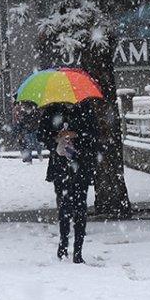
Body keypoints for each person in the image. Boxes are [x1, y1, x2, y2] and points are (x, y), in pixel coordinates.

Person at [43, 105, 98, 263]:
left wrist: (76, 134)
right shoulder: (52, 111)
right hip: (60, 167)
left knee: (80, 207)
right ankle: (63, 245)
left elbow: (93, 135)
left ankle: (78, 251)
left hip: (81, 166)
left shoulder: (85, 110)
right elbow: (42, 135)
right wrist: (56, 138)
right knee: (64, 206)